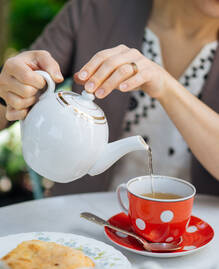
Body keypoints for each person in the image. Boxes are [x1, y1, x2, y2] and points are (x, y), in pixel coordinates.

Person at [0, 0, 219, 196]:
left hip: (195, 232)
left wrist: (165, 86)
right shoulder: (95, 10)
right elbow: (8, 104)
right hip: (78, 221)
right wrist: (10, 90)